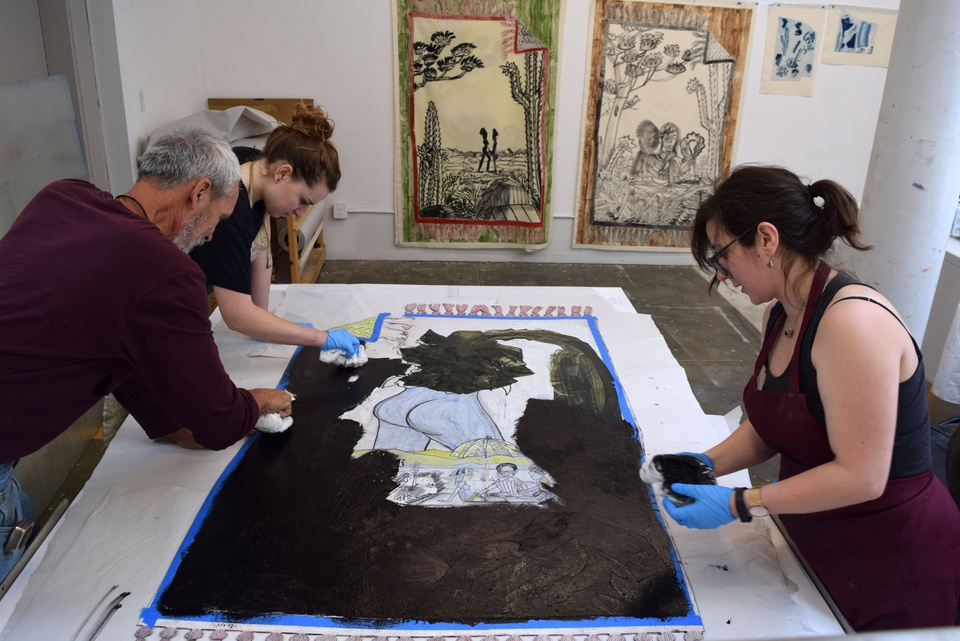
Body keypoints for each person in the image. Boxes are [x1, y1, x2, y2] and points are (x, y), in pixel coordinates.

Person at [654, 164, 960, 630]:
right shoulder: (782, 314)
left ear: (766, 240)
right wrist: (703, 464)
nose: (723, 275)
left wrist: (740, 502)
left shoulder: (851, 324)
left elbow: (862, 477)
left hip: (887, 554)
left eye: (722, 256)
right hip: (815, 533)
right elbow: (776, 425)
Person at [0, 128, 292, 581]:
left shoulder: (63, 197)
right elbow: (216, 420)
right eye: (219, 216)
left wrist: (168, 425)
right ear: (198, 193)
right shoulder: (166, 271)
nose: (213, 234)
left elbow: (114, 338)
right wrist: (254, 402)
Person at [189, 103, 359, 359]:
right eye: (303, 200)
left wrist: (264, 319)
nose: (301, 212)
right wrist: (320, 338)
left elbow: (261, 240)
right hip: (160, 296)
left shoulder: (251, 161)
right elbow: (237, 316)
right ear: (282, 173)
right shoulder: (228, 214)